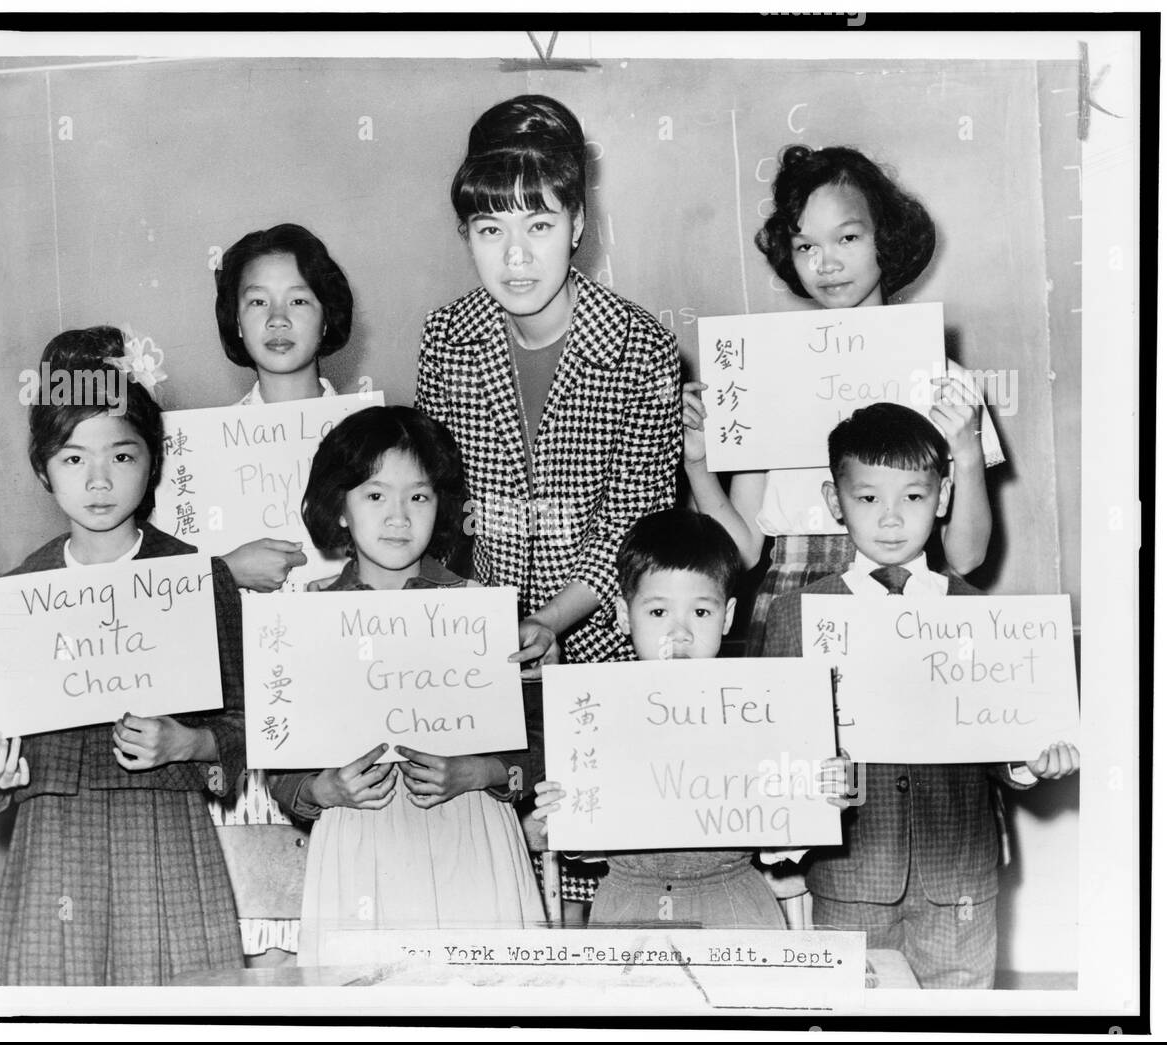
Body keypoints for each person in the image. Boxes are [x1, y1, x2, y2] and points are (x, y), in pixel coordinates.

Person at [415, 93, 682, 917]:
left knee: (600, 891)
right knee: (502, 900)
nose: (516, 256)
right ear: (465, 236)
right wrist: (477, 623)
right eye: (490, 230)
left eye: (539, 223)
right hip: (478, 662)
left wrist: (552, 622)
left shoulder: (641, 345)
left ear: (578, 224)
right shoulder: (445, 339)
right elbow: (441, 511)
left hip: (604, 647)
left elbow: (638, 520)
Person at [761, 402, 1080, 988]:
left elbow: (999, 744)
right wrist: (802, 781)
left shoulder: (975, 614)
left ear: (945, 496)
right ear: (835, 502)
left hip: (958, 876)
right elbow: (774, 756)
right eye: (867, 498)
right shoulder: (796, 615)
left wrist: (1029, 763)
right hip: (851, 877)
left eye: (912, 497)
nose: (890, 519)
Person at [0, 326, 245, 985]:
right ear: (43, 468)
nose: (98, 480)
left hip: (162, 838)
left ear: (151, 461)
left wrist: (186, 743)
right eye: (73, 459)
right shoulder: (12, 595)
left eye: (121, 457)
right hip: (53, 845)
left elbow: (249, 726)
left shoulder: (196, 579)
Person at [681, 145, 1004, 656]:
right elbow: (741, 552)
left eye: (847, 238)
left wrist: (966, 455)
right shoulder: (764, 373)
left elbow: (965, 559)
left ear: (887, 239)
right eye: (805, 246)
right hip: (792, 602)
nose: (826, 264)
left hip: (909, 597)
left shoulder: (943, 380)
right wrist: (699, 465)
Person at [268, 406, 544, 963]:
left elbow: (542, 740)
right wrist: (323, 790)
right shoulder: (304, 619)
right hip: (358, 837)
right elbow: (279, 760)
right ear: (340, 508)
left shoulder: (481, 610)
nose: (398, 516)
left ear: (440, 504)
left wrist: (481, 771)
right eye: (374, 496)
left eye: (417, 496)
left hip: (471, 835)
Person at [530, 510, 849, 928]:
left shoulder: (760, 708)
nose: (679, 633)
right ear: (625, 617)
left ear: (728, 616)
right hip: (628, 899)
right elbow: (574, 841)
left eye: (700, 613)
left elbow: (785, 835)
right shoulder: (594, 713)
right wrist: (558, 813)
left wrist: (829, 794)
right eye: (658, 613)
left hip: (733, 897)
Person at [205, 222, 356, 965]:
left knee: (351, 941)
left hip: (350, 715)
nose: (276, 319)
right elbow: (156, 602)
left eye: (298, 300)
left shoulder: (368, 432)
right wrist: (223, 569)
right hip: (246, 720)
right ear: (235, 320)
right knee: (263, 949)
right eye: (256, 301)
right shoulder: (191, 453)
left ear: (327, 312)